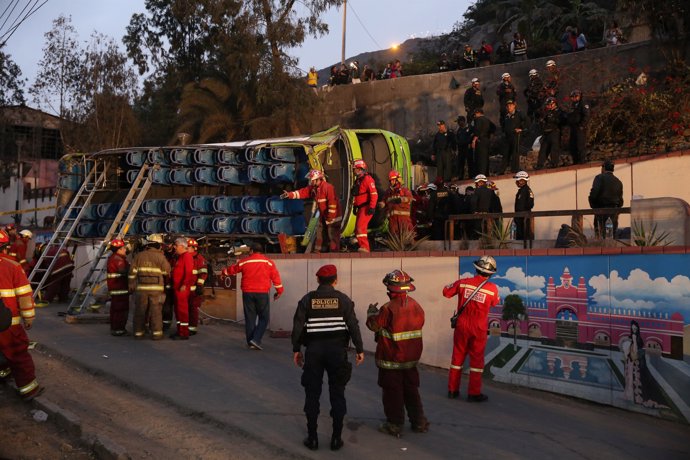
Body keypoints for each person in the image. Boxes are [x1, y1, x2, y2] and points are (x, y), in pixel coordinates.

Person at [291, 264, 364, 451]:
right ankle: (336, 439)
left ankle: (312, 438)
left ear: (317, 280)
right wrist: (360, 349)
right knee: (337, 394)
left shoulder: (307, 300)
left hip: (314, 352)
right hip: (337, 353)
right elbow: (353, 326)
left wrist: (296, 349)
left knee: (312, 394)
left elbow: (298, 326)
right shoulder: (344, 300)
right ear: (335, 280)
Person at [366, 270, 428, 437]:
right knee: (411, 391)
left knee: (393, 393)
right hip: (411, 360)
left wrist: (371, 313)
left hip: (391, 360)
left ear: (391, 289)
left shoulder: (388, 308)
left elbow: (374, 326)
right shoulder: (417, 306)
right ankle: (419, 422)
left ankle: (394, 424)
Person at [443, 255, 500, 402]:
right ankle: (473, 393)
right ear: (490, 273)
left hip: (462, 326)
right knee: (476, 361)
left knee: (457, 357)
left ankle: (452, 390)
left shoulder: (463, 283)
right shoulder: (492, 289)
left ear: (476, 268)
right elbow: (494, 303)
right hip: (479, 328)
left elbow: (446, 292)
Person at [0, 229, 43, 401]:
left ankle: (3, 373)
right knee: (17, 353)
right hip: (10, 323)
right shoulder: (12, 266)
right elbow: (25, 296)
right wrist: (29, 317)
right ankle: (29, 390)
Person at [222, 241, 283, 349]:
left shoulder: (244, 261)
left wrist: (224, 273)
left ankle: (251, 341)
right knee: (264, 317)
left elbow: (233, 270)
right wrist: (279, 291)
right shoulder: (268, 262)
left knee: (250, 317)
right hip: (262, 293)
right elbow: (275, 277)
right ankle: (256, 339)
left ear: (252, 251)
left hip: (248, 292)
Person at [282, 169, 342, 253]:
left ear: (318, 179)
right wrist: (290, 195)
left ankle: (334, 253)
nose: (310, 181)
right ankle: (318, 251)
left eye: (312, 180)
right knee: (320, 234)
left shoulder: (327, 187)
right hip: (324, 216)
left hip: (333, 217)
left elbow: (332, 203)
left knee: (332, 235)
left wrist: (330, 217)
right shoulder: (315, 189)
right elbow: (303, 192)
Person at [128, 233, 171, 340]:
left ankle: (138, 333)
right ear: (158, 245)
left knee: (140, 311)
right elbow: (167, 271)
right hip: (156, 290)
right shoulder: (161, 257)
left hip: (141, 289)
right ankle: (156, 334)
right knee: (156, 312)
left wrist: (131, 283)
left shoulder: (139, 256)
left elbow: (132, 272)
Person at [588, 160, 623, 238]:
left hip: (601, 211)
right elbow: (620, 200)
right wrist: (617, 210)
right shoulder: (618, 182)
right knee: (611, 234)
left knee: (600, 234)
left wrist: (594, 206)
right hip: (614, 211)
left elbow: (594, 194)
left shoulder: (599, 178)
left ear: (603, 168)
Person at [351, 159, 378, 252]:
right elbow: (357, 195)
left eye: (354, 168)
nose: (353, 170)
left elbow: (374, 194)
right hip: (361, 207)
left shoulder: (367, 179)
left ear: (359, 169)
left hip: (366, 208)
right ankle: (360, 244)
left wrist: (372, 207)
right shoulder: (358, 180)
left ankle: (365, 247)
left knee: (360, 227)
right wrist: (355, 205)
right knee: (357, 228)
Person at [107, 238, 130, 337]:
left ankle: (115, 328)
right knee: (120, 310)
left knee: (116, 309)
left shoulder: (115, 258)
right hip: (120, 288)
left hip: (116, 288)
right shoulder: (118, 260)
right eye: (124, 248)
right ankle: (119, 329)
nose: (125, 250)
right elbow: (124, 272)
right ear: (119, 249)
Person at [500, 100, 529, 174]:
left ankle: (514, 170)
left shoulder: (519, 113)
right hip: (507, 136)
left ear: (514, 106)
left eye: (510, 105)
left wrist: (521, 129)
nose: (509, 107)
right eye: (508, 106)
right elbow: (503, 125)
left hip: (515, 135)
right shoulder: (506, 115)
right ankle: (501, 171)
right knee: (506, 153)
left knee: (515, 153)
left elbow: (527, 120)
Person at [536, 97, 564, 169]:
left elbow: (562, 121)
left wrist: (553, 119)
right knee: (543, 149)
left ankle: (554, 164)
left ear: (554, 104)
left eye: (549, 104)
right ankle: (539, 165)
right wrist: (542, 121)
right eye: (547, 105)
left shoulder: (559, 111)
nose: (547, 106)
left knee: (554, 149)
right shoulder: (546, 112)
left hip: (554, 132)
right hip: (546, 133)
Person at [382, 170, 413, 235]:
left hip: (403, 220)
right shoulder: (388, 192)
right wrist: (382, 204)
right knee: (394, 239)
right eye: (390, 180)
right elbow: (384, 201)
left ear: (398, 180)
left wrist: (401, 199)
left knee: (407, 239)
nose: (391, 182)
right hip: (392, 221)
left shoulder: (404, 190)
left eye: (393, 180)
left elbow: (410, 198)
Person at [188, 238, 208, 336]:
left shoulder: (199, 258)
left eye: (188, 247)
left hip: (194, 289)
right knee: (184, 309)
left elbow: (203, 273)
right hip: (185, 288)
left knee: (193, 309)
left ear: (194, 248)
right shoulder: (184, 257)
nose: (186, 248)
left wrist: (200, 285)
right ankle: (185, 327)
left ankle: (192, 328)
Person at [566, 89, 590, 165]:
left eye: (576, 96)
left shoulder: (583, 104)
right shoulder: (572, 105)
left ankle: (582, 161)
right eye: (572, 97)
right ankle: (575, 161)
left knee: (580, 144)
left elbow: (586, 115)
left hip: (580, 127)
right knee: (572, 145)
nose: (574, 98)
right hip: (573, 127)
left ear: (580, 96)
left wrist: (582, 125)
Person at [471, 108, 496, 176]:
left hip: (480, 140)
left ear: (478, 113)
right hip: (486, 140)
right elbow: (494, 127)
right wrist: (490, 134)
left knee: (480, 158)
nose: (475, 116)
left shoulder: (478, 120)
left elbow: (477, 130)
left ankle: (481, 175)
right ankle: (486, 173)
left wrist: (474, 140)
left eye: (475, 114)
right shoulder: (487, 120)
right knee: (485, 158)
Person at [513, 171, 534, 240]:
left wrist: (524, 212)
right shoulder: (521, 191)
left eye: (518, 180)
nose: (517, 182)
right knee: (519, 236)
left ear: (523, 181)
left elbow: (530, 204)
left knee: (525, 236)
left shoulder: (527, 190)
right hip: (519, 217)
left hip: (524, 217)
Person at [455, 115, 474, 179]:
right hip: (461, 148)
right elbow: (457, 139)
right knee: (461, 162)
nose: (458, 123)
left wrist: (469, 142)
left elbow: (472, 135)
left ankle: (471, 176)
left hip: (468, 147)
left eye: (459, 122)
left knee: (470, 162)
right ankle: (460, 176)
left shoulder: (469, 127)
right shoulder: (459, 130)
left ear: (462, 121)